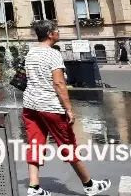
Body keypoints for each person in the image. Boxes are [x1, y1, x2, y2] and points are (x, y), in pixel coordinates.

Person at [22, 20, 111, 196]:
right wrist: (69, 108)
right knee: (68, 145)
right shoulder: (53, 54)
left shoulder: (30, 53)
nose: (59, 32)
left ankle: (34, 187)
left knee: (35, 143)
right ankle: (89, 184)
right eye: (56, 30)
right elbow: (59, 83)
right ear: (49, 34)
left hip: (30, 105)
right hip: (50, 107)